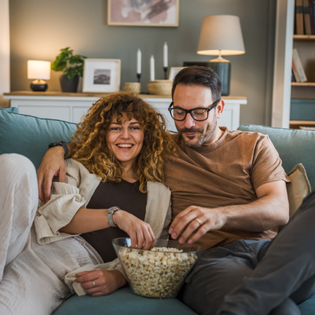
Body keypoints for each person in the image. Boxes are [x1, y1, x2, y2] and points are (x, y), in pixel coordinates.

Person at [37, 66, 315, 315]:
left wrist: (219, 216)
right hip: (211, 260)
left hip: (272, 251)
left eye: (198, 112)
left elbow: (279, 210)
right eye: (179, 112)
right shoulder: (162, 147)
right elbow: (109, 140)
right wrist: (58, 150)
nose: (188, 124)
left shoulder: (254, 144)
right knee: (282, 309)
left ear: (219, 109)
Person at [0, 93, 175, 314]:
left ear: (146, 134)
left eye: (134, 127)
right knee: (16, 164)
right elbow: (60, 220)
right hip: (22, 236)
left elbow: (156, 249)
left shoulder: (160, 193)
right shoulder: (78, 165)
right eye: (115, 128)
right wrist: (117, 215)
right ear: (103, 133)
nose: (125, 136)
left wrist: (120, 276)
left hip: (53, 268)